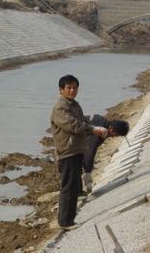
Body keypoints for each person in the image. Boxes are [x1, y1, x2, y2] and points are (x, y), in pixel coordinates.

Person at [50, 74, 107, 230]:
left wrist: (94, 127)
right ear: (61, 90)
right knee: (68, 187)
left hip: (76, 150)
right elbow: (73, 126)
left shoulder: (74, 105)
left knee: (75, 186)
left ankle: (70, 219)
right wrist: (93, 129)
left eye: (75, 87)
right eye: (68, 88)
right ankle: (65, 222)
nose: (72, 90)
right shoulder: (60, 108)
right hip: (67, 152)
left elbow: (83, 121)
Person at [82, 115, 130, 193]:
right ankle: (77, 193)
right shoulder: (99, 132)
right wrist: (88, 171)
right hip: (69, 141)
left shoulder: (101, 120)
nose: (114, 137)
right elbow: (90, 151)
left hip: (68, 135)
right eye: (115, 134)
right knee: (73, 166)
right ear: (111, 128)